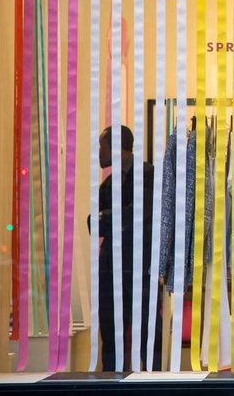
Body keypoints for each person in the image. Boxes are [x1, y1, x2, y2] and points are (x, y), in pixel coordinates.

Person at [88, 125, 161, 371]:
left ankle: (156, 383)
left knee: (148, 331)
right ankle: (110, 382)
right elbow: (92, 223)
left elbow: (137, 215)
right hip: (110, 266)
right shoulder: (108, 183)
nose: (99, 153)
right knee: (109, 329)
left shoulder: (148, 175)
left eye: (102, 146)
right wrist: (115, 218)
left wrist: (108, 218)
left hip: (139, 267)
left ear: (117, 148)